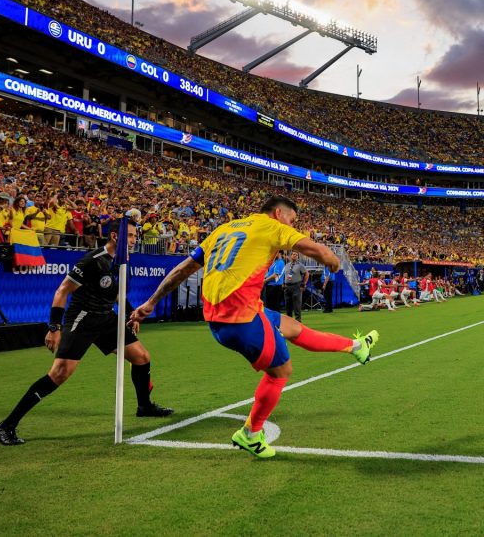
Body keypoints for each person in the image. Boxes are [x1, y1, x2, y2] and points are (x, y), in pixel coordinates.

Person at [128, 195, 379, 460]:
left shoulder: (224, 228)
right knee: (281, 371)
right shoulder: (272, 227)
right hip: (241, 319)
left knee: (292, 327)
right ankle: (250, 433)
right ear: (279, 213)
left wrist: (151, 302)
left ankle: (355, 347)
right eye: (292, 220)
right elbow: (318, 250)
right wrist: (332, 260)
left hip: (224, 315)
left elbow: (183, 268)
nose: (293, 225)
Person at [0, 221, 173, 446]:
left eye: (135, 235)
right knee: (60, 373)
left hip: (105, 318)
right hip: (82, 318)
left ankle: (144, 406)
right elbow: (61, 291)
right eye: (130, 235)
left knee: (141, 358)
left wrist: (130, 314)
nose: (135, 240)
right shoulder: (92, 261)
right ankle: (6, 425)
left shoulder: (122, 261)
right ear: (115, 236)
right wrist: (54, 328)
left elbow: (116, 292)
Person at [282, 250, 309, 321]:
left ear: (298, 257)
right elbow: (284, 275)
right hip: (287, 287)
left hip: (296, 286)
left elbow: (306, 274)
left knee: (297, 306)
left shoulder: (300, 265)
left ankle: (298, 324)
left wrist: (304, 284)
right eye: (293, 254)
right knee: (288, 307)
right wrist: (283, 283)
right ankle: (289, 324)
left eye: (296, 255)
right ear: (291, 256)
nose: (294, 255)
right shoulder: (287, 265)